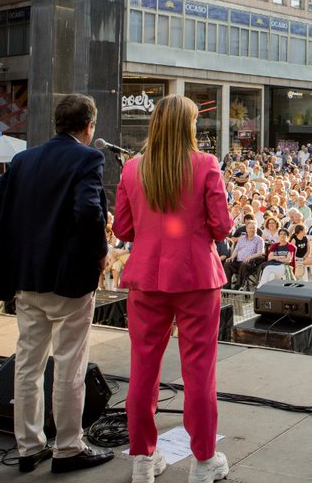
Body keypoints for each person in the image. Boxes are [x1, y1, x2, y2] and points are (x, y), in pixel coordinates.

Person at [0, 94, 114, 474]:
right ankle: (68, 447)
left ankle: (28, 447)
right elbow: (88, 209)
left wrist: (11, 246)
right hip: (69, 278)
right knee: (70, 364)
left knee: (27, 365)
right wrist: (99, 252)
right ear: (89, 125)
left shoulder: (24, 159)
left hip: (26, 277)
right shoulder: (87, 157)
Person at [113, 94, 233, 483]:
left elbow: (123, 229)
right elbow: (222, 226)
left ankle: (143, 460)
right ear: (188, 126)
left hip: (146, 279)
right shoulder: (205, 164)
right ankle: (203, 461)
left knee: (142, 369)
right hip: (197, 277)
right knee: (199, 370)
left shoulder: (132, 168)